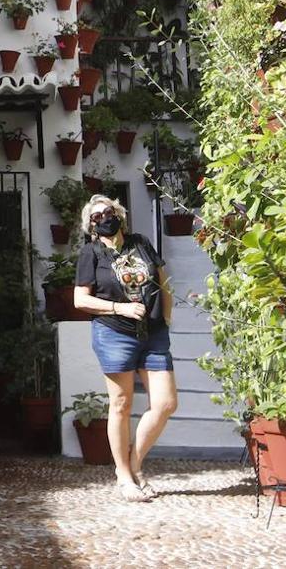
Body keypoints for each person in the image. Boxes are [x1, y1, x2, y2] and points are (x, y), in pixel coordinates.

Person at [73, 194, 177, 503]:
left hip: (153, 333)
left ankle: (134, 464)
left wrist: (166, 319)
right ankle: (123, 474)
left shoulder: (141, 242)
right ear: (91, 226)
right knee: (121, 404)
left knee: (165, 403)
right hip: (114, 333)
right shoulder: (91, 253)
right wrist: (120, 308)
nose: (104, 218)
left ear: (119, 214)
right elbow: (81, 300)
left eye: (108, 212)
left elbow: (163, 283)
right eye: (96, 217)